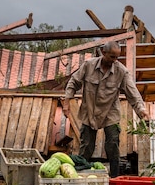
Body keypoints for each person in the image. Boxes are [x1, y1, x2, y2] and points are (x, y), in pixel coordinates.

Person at [64, 41, 149, 177]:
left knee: (113, 144)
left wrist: (141, 110)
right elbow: (73, 82)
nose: (114, 60)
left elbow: (133, 93)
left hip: (110, 111)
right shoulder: (88, 65)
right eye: (112, 57)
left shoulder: (121, 71)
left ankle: (114, 178)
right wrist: (66, 103)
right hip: (89, 110)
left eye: (117, 57)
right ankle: (80, 176)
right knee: (86, 145)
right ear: (103, 53)